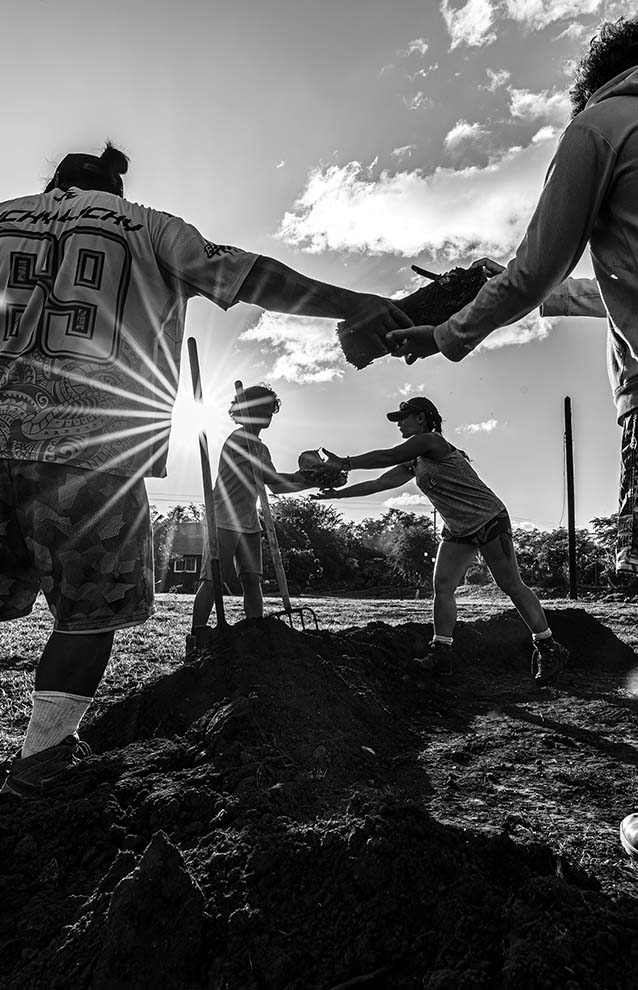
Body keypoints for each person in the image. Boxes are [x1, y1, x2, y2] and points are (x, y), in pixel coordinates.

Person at [0, 142, 412, 798]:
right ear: (114, 187)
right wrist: (351, 302)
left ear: (53, 183)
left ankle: (236, 648)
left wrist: (303, 482)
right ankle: (39, 764)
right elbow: (248, 277)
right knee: (86, 617)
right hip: (93, 446)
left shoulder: (6, 217)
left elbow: (269, 481)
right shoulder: (148, 226)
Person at [385, 16, 638, 581]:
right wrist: (546, 297)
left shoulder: (601, 126)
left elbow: (534, 272)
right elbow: (620, 285)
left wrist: (446, 334)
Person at [314, 395, 569, 683]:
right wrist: (337, 494)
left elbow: (386, 456)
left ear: (421, 418)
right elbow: (379, 483)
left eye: (402, 419)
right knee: (443, 586)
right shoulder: (415, 461)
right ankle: (442, 654)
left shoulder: (431, 441)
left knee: (510, 584)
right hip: (458, 529)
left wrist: (344, 463)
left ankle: (548, 646)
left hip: (488, 519)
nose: (399, 425)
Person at [188, 383, 313, 649]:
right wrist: (308, 479)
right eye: (263, 408)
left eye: (271, 409)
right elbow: (275, 479)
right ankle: (197, 635)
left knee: (252, 579)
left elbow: (277, 486)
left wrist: (311, 481)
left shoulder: (260, 446)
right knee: (213, 579)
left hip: (248, 521)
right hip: (223, 517)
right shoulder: (239, 440)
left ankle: (255, 632)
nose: (269, 413)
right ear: (250, 410)